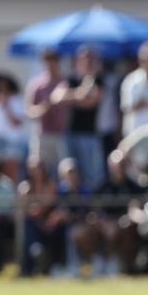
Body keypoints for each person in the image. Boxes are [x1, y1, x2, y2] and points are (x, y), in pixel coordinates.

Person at [55, 46, 105, 189]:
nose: (87, 62)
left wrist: (72, 98)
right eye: (84, 59)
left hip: (89, 134)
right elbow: (58, 97)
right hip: (70, 133)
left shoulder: (98, 79)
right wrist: (80, 94)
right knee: (69, 172)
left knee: (91, 174)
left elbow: (91, 102)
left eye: (90, 59)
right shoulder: (71, 79)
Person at [25, 48, 67, 177]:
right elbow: (29, 110)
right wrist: (43, 108)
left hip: (62, 134)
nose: (51, 64)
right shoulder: (36, 84)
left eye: (53, 60)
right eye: (48, 61)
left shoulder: (64, 83)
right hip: (42, 134)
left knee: (63, 169)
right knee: (40, 169)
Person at [0, 73, 28, 182]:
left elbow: (17, 122)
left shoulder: (16, 100)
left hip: (13, 141)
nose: (2, 89)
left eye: (4, 86)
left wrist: (6, 107)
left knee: (12, 173)